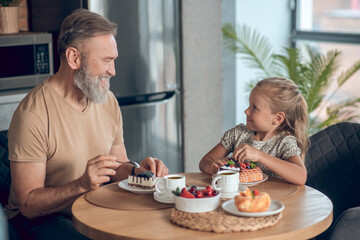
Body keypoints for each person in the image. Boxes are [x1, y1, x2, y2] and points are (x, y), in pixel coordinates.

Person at [4, 8, 168, 239]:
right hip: (43, 219)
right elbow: (28, 204)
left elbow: (116, 166)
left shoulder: (107, 100)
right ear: (74, 58)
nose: (112, 71)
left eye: (114, 60)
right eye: (106, 60)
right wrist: (81, 184)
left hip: (92, 206)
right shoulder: (33, 113)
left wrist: (136, 172)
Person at [199, 77, 308, 185]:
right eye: (249, 105)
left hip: (271, 199)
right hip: (237, 197)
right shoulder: (238, 134)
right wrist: (212, 166)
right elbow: (205, 160)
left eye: (254, 107)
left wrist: (260, 156)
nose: (246, 111)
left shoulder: (284, 142)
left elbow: (301, 176)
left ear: (277, 118)